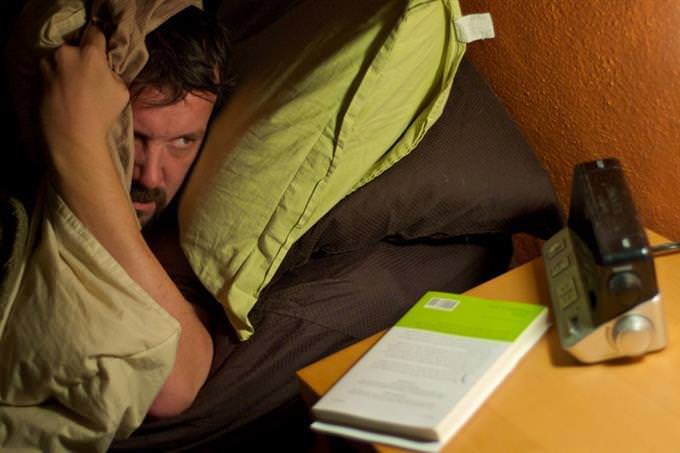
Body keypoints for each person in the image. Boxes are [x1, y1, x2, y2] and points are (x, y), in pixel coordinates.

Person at [38, 5, 233, 419]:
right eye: (136, 137)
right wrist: (80, 142)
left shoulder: (190, 236)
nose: (151, 173)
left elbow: (176, 381)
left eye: (183, 141)